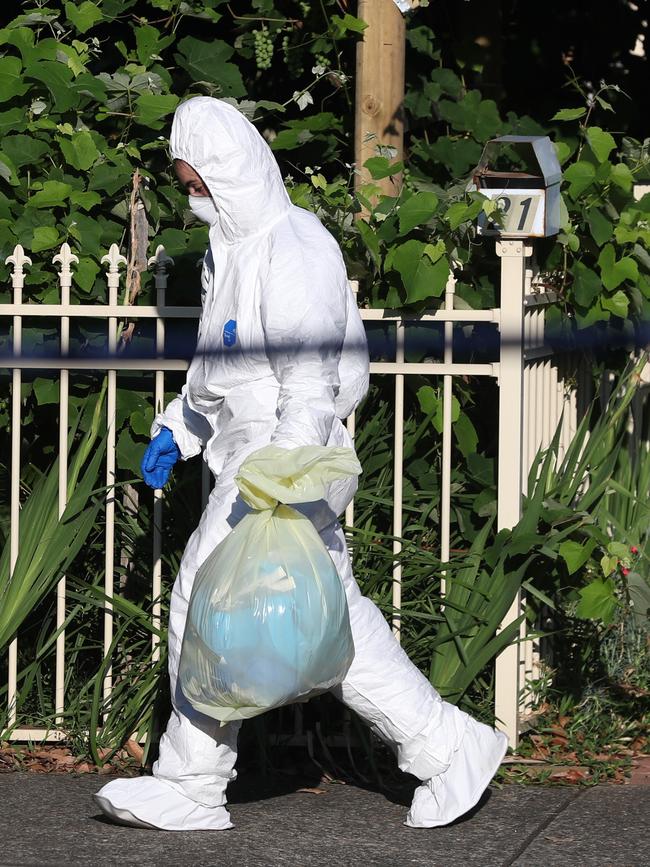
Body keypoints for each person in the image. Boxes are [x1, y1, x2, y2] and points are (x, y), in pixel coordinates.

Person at [94, 96, 507, 832]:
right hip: (255, 457)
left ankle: (191, 780)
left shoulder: (296, 246)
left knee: (202, 596)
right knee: (327, 623)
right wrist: (179, 428)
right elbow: (223, 373)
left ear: (230, 173)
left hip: (290, 458)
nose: (192, 200)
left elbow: (310, 384)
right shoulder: (231, 251)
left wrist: (278, 479)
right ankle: (450, 746)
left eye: (197, 185)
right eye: (186, 186)